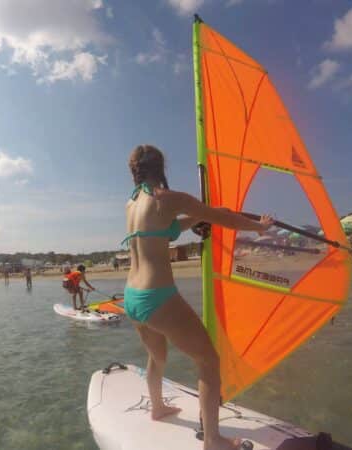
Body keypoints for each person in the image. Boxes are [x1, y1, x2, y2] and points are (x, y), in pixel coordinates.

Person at [122, 145, 273, 450]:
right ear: (160, 167)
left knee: (157, 356)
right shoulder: (168, 198)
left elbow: (169, 229)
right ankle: (214, 440)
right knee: (208, 361)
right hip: (157, 296)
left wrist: (207, 218)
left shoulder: (132, 203)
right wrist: (258, 226)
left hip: (132, 297)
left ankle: (157, 407)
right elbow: (217, 216)